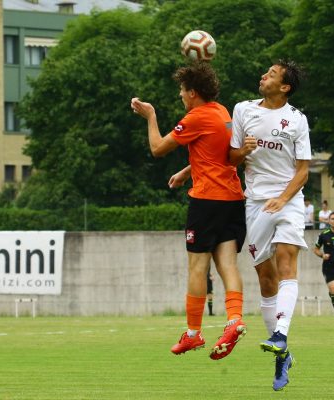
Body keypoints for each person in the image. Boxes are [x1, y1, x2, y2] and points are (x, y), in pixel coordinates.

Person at [131, 61, 247, 360]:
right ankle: (234, 320)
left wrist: (150, 115)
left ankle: (193, 334)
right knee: (228, 265)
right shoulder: (222, 113)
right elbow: (217, 155)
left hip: (206, 201)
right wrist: (186, 171)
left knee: (197, 267)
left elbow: (157, 148)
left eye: (182, 91)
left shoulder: (195, 117)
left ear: (192, 92)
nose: (181, 97)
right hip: (233, 198)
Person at [229, 60, 310, 391]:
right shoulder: (243, 110)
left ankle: (280, 334)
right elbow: (230, 158)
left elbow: (303, 170)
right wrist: (242, 151)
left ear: (285, 86)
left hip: (288, 200)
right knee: (266, 280)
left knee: (287, 263)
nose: (263, 76)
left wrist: (284, 198)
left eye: (272, 74)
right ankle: (282, 354)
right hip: (255, 203)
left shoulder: (297, 120)